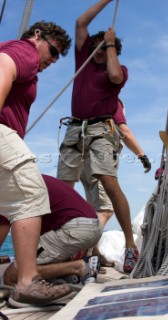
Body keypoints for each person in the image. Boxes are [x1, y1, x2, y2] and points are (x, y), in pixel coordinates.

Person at [57, 0, 149, 271]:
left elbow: (114, 74)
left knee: (109, 184)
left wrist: (110, 44)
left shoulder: (119, 72)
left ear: (112, 51)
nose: (96, 48)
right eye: (94, 45)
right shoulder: (83, 63)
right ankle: (78, 248)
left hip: (101, 130)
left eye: (102, 46)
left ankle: (131, 246)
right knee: (63, 188)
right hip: (75, 129)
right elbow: (80, 23)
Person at [0, 21, 73, 306]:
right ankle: (28, 282)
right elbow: (4, 64)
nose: (52, 60)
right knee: (31, 193)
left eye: (57, 58)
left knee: (5, 211)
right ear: (37, 36)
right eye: (53, 51)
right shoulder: (24, 50)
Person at [80, 98, 151, 266]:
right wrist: (142, 155)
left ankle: (94, 254)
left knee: (93, 209)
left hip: (83, 157)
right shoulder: (113, 103)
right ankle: (85, 251)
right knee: (105, 210)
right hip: (98, 160)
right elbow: (124, 132)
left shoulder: (90, 106)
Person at [0, 174, 102, 286]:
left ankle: (80, 267)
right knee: (28, 257)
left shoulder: (6, 189)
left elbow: (2, 230)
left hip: (73, 230)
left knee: (13, 275)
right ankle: (66, 272)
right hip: (90, 226)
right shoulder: (28, 176)